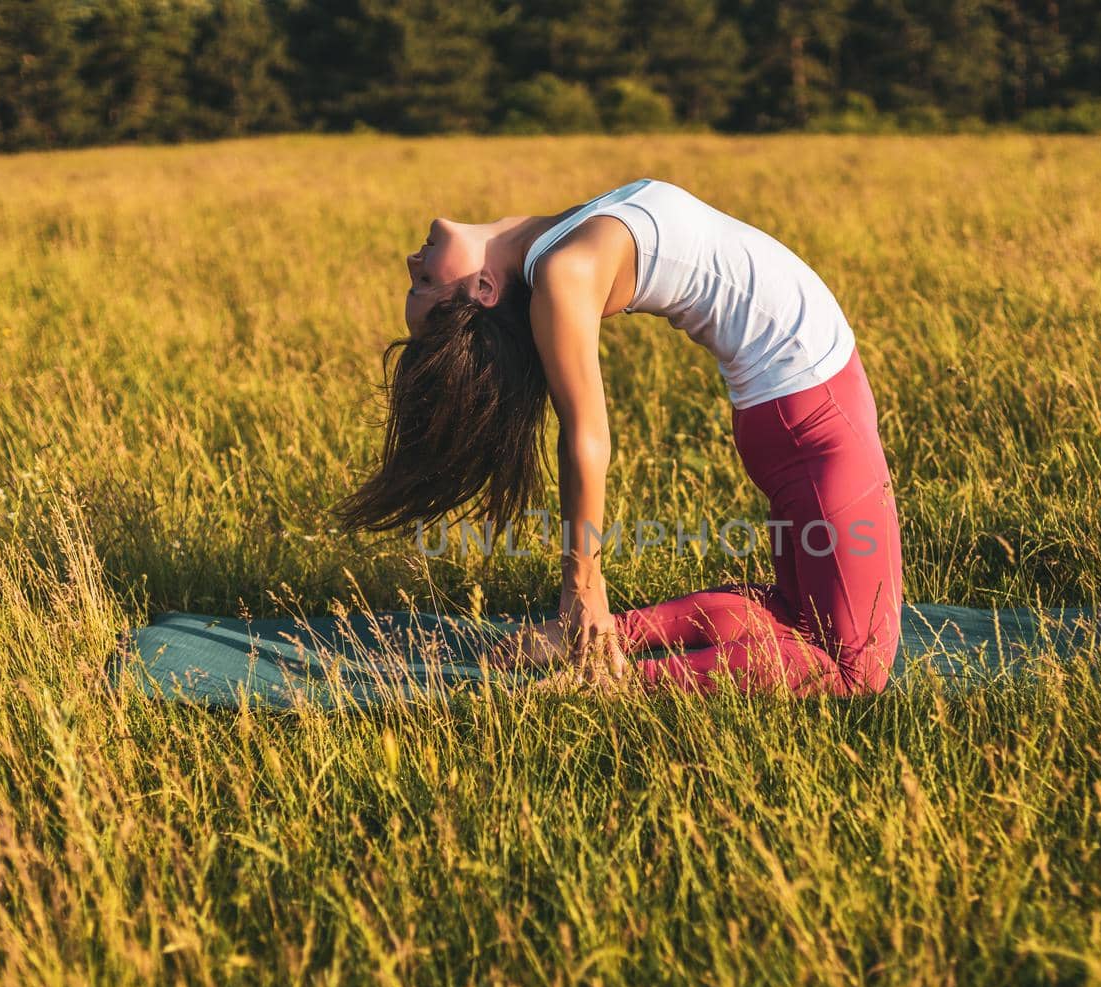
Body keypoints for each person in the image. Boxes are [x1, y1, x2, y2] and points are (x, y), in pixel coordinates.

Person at [335, 178, 902, 696]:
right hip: (817, 420)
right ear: (483, 287)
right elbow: (586, 435)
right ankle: (613, 683)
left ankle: (602, 640)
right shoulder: (562, 272)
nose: (414, 259)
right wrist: (582, 585)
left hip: (794, 415)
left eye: (419, 276)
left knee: (796, 618)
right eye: (426, 281)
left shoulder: (548, 245)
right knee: (858, 668)